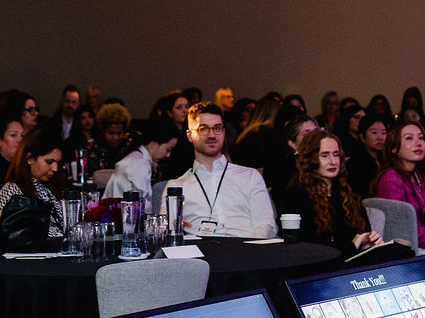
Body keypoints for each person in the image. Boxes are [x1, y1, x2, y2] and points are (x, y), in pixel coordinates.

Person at [167, 103, 277, 239]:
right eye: (203, 129)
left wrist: (250, 248)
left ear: (224, 132)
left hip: (246, 246)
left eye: (217, 128)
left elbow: (266, 226)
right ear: (189, 135)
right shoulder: (177, 187)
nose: (212, 135)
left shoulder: (250, 176)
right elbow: (167, 232)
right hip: (201, 249)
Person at [279, 129, 384, 257]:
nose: (333, 161)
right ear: (310, 159)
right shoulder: (295, 195)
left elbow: (363, 232)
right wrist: (352, 246)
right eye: (324, 155)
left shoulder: (346, 192)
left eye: (336, 154)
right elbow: (305, 248)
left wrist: (368, 241)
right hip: (320, 264)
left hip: (353, 260)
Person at [0, 126, 65, 252]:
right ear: (30, 159)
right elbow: (19, 238)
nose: (55, 168)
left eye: (57, 163)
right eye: (49, 162)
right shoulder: (12, 191)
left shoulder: (48, 188)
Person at [372, 117, 425, 246]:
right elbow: (402, 230)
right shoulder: (391, 179)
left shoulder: (416, 174)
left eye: (421, 138)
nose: (418, 143)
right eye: (409, 138)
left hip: (421, 242)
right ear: (394, 148)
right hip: (403, 247)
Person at [103, 118, 180, 203]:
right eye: (168, 149)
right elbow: (140, 203)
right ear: (154, 143)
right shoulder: (141, 163)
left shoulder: (136, 157)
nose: (168, 155)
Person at [344, 112, 391, 202]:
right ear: (362, 137)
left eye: (383, 133)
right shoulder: (355, 164)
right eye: (374, 132)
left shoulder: (386, 159)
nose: (380, 137)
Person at [89, 101, 135, 171]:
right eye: (111, 133)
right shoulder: (95, 150)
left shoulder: (130, 148)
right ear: (103, 131)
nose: (115, 138)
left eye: (119, 133)